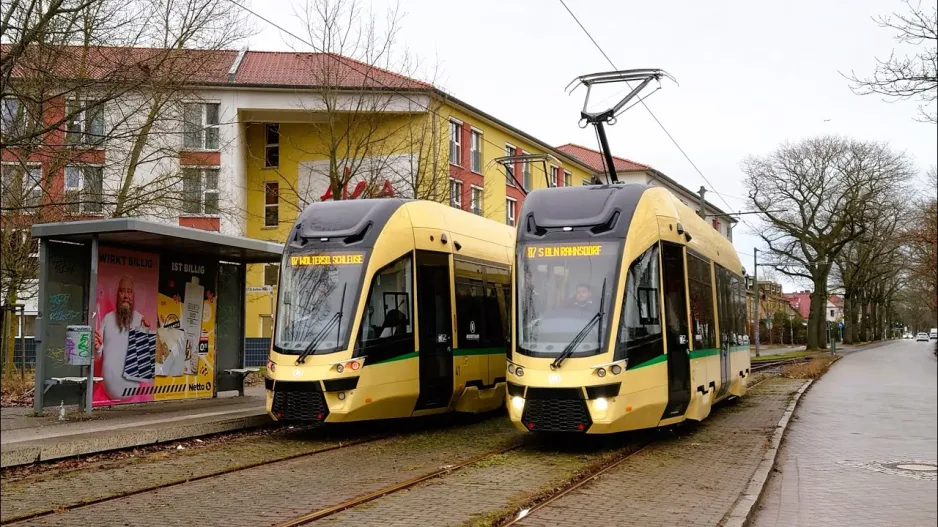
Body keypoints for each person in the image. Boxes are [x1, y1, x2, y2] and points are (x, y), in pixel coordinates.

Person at [94, 275, 151, 400]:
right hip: (105, 399)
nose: (125, 295)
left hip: (135, 399)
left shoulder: (141, 320)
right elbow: (96, 357)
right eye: (122, 291)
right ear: (117, 295)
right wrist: (97, 349)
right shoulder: (107, 319)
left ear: (133, 295)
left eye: (129, 291)